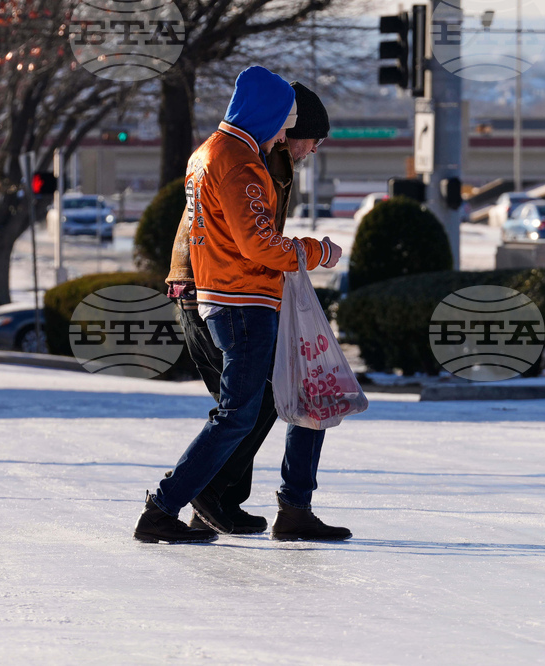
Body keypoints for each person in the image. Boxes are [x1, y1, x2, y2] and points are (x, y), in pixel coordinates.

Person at [134, 67, 349, 544]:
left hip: (232, 294)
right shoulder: (242, 161)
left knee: (293, 396)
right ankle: (172, 506)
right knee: (240, 412)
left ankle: (273, 506)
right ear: (271, 116)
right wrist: (317, 252)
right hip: (239, 298)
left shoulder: (215, 153)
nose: (291, 137)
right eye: (288, 125)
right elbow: (258, 244)